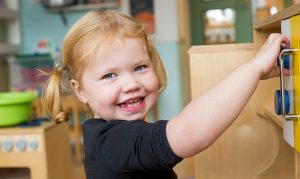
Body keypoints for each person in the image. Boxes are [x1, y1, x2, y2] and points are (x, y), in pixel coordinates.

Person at [42, 10, 289, 179]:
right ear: (80, 90)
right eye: (109, 75)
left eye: (139, 67)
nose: (130, 84)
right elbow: (189, 132)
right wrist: (253, 69)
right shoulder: (112, 141)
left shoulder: (114, 132)